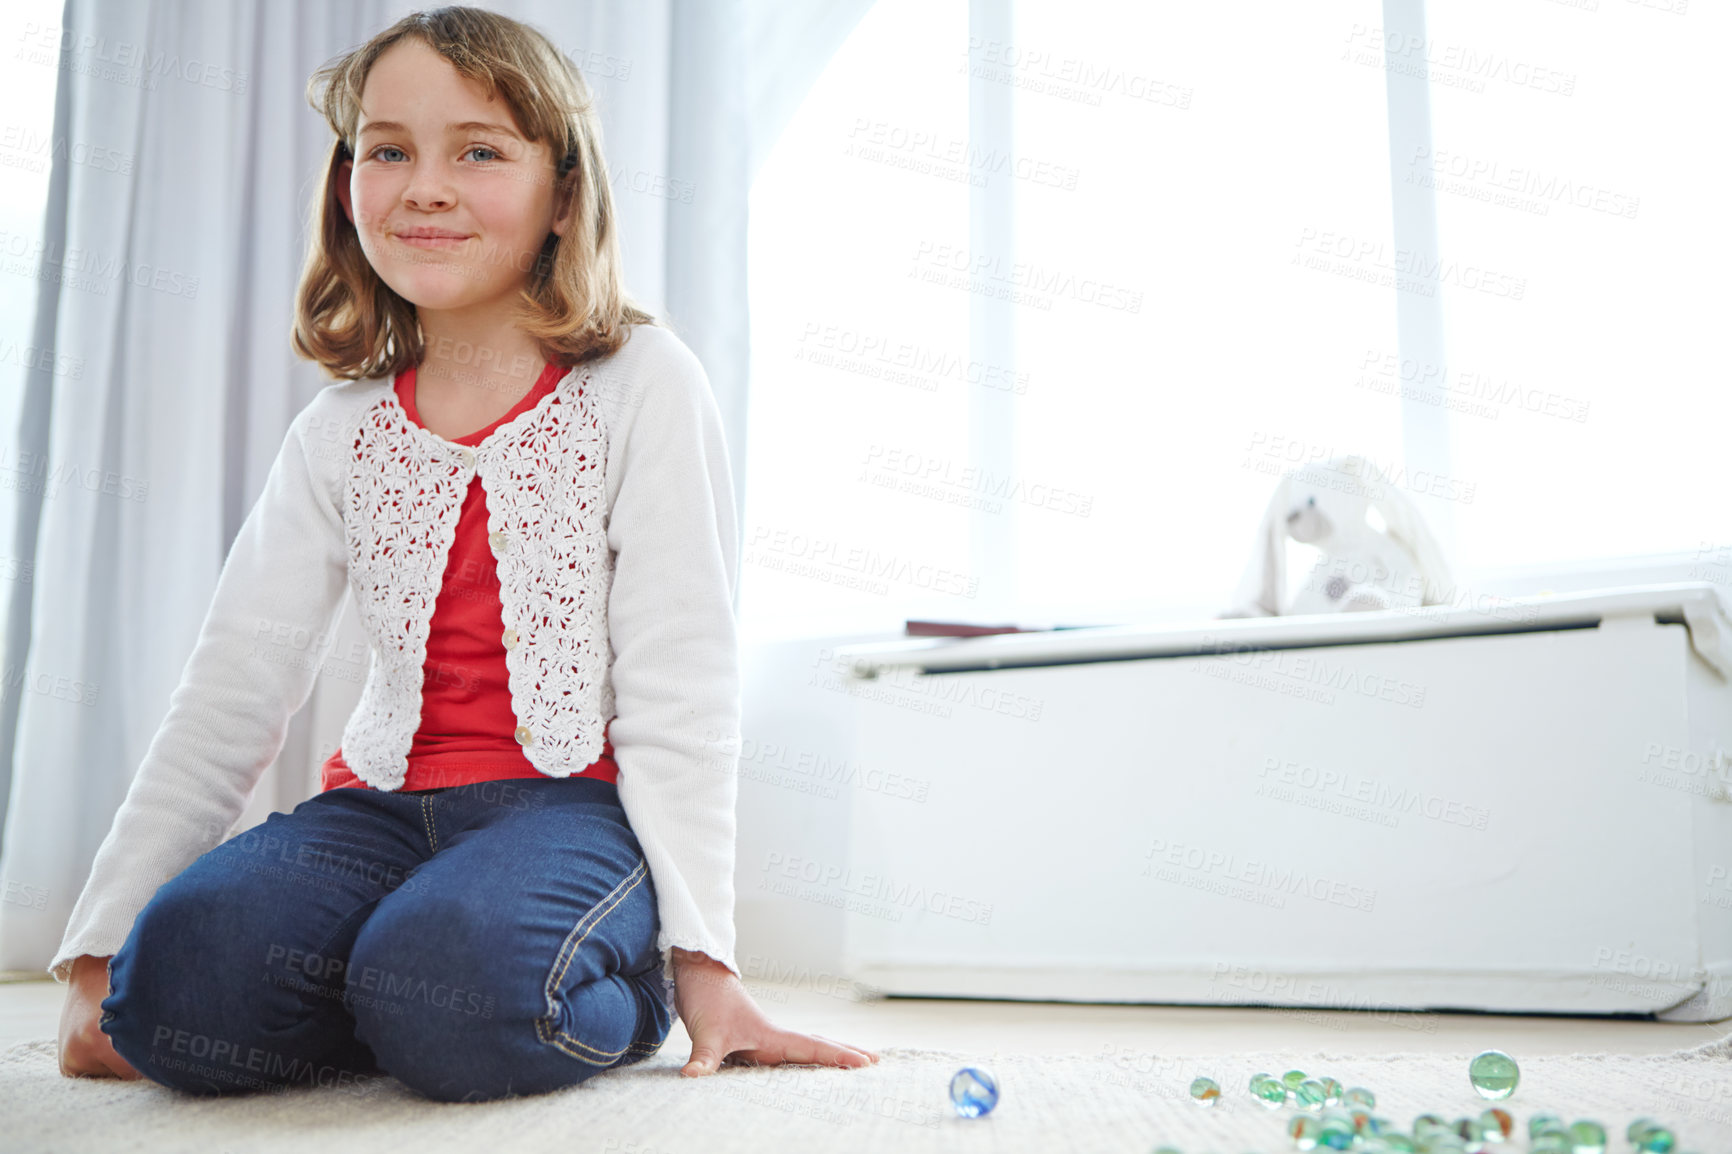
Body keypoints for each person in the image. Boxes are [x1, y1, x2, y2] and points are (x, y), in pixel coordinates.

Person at [53, 6, 878, 1102]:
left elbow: (682, 676)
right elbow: (231, 686)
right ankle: (397, 984)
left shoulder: (642, 383)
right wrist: (99, 949)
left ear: (563, 193)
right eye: (388, 149)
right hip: (376, 809)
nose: (424, 186)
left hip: (569, 808)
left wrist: (704, 962)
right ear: (350, 185)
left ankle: (579, 981)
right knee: (175, 990)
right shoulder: (341, 429)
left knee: (461, 980)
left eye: (478, 151)